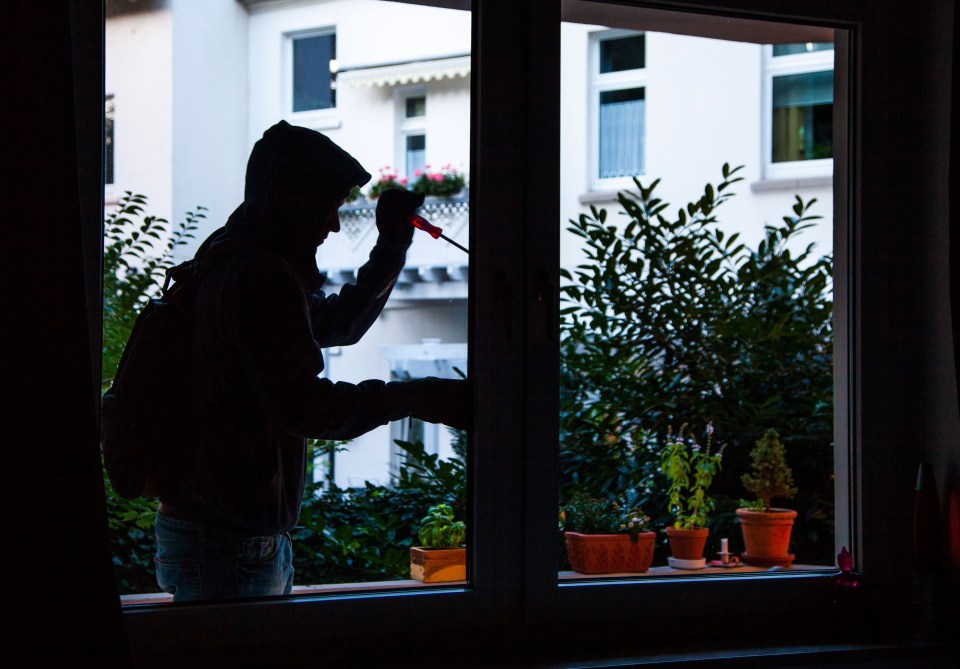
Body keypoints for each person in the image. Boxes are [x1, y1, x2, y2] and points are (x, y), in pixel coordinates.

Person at [153, 121, 470, 601]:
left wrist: (391, 242)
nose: (335, 224)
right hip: (228, 543)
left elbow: (337, 323)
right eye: (328, 205)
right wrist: (421, 395)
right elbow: (307, 408)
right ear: (292, 200)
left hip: (222, 536)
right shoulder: (258, 276)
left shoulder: (233, 260)